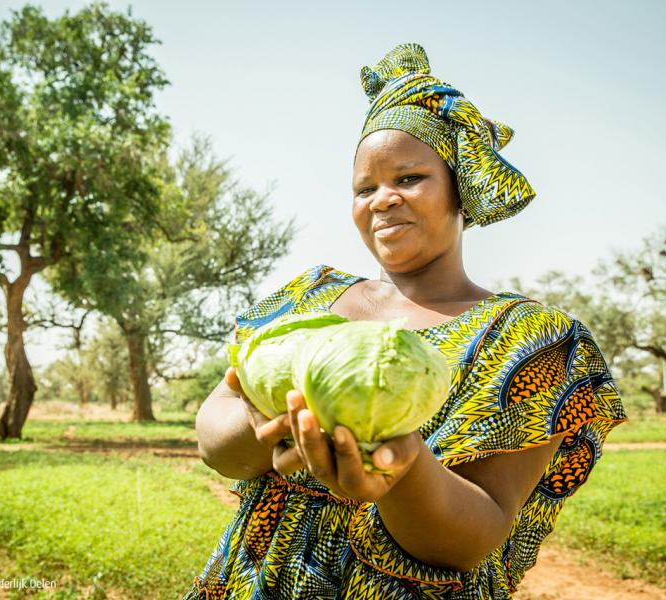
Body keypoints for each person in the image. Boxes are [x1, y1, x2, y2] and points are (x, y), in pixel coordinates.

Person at [185, 43, 628, 599]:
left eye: (410, 177)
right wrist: (263, 424)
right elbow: (214, 444)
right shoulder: (309, 296)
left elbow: (474, 536)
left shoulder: (529, 339)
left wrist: (400, 469)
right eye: (364, 188)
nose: (382, 200)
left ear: (459, 188)